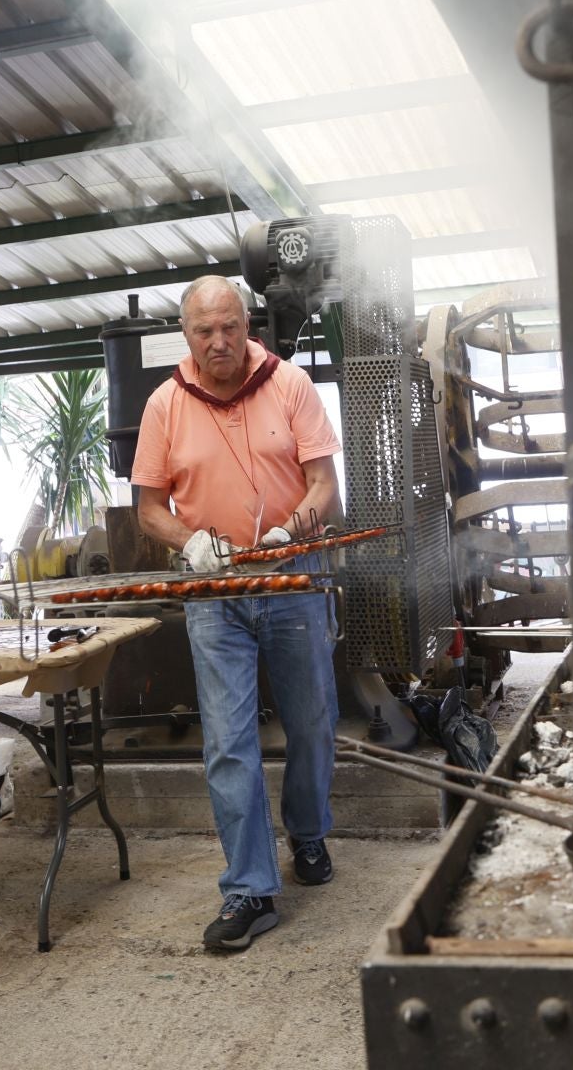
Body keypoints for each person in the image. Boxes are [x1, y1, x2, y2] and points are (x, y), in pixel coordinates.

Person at [130, 276, 342, 952]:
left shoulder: (290, 385)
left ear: (247, 324)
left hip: (292, 580)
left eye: (229, 327)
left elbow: (324, 486)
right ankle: (250, 888)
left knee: (311, 722)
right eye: (203, 331)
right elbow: (148, 508)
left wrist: (293, 528)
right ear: (186, 334)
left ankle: (307, 833)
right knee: (227, 741)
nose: (219, 342)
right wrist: (187, 540)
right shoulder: (165, 404)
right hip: (215, 596)